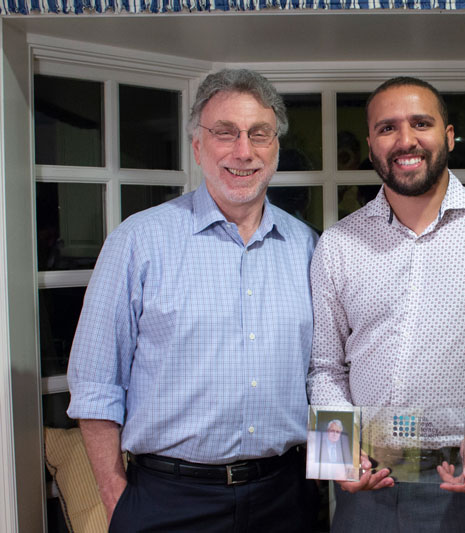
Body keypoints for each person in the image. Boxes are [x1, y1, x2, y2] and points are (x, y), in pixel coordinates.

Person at [67, 69, 318, 532]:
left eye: (259, 134)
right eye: (225, 133)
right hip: (168, 503)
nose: (243, 151)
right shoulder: (138, 242)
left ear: (275, 150)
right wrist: (117, 500)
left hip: (286, 499)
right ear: (198, 147)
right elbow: (95, 384)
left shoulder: (308, 248)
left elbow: (327, 374)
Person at [307, 76, 465, 532]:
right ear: (372, 146)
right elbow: (325, 367)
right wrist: (336, 462)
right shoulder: (337, 244)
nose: (405, 140)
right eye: (387, 128)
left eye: (421, 123)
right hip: (367, 483)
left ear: (448, 136)